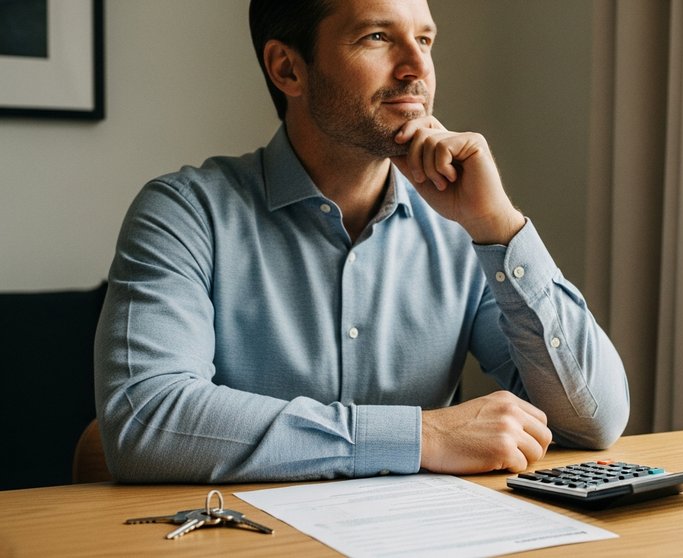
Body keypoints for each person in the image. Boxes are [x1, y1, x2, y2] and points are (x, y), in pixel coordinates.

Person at [94, 0, 629, 483]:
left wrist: (500, 227)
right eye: (377, 36)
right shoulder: (183, 214)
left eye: (424, 39)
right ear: (288, 68)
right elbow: (147, 418)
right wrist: (423, 437)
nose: (417, 67)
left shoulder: (463, 227)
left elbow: (593, 421)